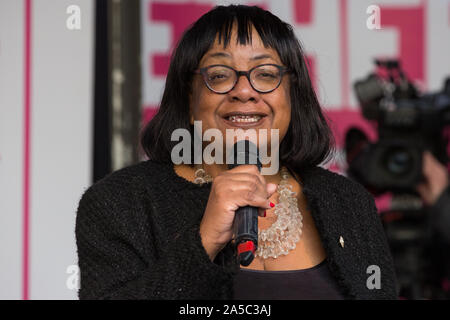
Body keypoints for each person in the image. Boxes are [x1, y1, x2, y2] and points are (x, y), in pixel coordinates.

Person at [75, 5, 398, 300]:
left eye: (266, 75)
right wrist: (204, 241)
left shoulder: (349, 204)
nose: (244, 91)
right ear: (190, 98)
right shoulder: (120, 203)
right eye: (219, 76)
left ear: (293, 95)